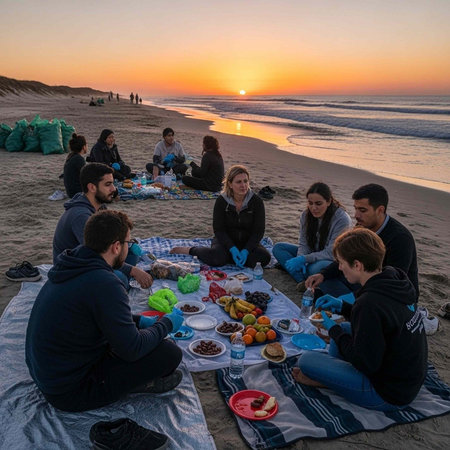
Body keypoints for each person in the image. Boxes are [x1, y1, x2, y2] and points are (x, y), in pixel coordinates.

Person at [26, 210, 184, 412]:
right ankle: (138, 385)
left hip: (49, 375)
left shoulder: (73, 264)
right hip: (70, 392)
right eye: (128, 242)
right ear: (116, 247)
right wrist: (166, 324)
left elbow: (95, 315)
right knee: (168, 353)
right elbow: (132, 348)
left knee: (141, 337)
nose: (130, 247)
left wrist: (138, 321)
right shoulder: (105, 283)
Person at [293, 228, 427, 411]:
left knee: (306, 360)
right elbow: (384, 321)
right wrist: (343, 306)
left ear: (357, 265)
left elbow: (366, 363)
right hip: (406, 380)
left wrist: (335, 332)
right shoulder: (394, 278)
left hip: (386, 393)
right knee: (348, 327)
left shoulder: (369, 303)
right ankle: (337, 374)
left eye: (341, 263)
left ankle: (331, 381)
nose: (339, 268)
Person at [306, 183, 419, 301]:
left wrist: (351, 297)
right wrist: (323, 275)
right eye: (356, 209)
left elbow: (394, 283)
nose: (356, 215)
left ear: (380, 210)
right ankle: (341, 299)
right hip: (363, 280)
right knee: (321, 274)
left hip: (390, 294)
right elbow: (345, 256)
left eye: (363, 210)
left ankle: (346, 302)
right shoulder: (362, 225)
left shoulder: (400, 238)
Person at [53, 163, 152, 288]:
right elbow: (96, 255)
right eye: (108, 184)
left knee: (131, 252)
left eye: (112, 183)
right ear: (92, 187)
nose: (114, 189)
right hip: (74, 269)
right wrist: (132, 270)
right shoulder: (81, 216)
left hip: (93, 258)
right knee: (120, 279)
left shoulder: (98, 206)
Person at [171, 165, 271, 268]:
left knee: (264, 257)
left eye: (245, 181)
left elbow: (258, 231)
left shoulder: (256, 202)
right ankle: (192, 250)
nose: (243, 185)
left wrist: (246, 250)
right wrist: (232, 248)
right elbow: (219, 230)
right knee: (217, 258)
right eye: (238, 182)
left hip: (247, 243)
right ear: (230, 184)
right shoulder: (222, 201)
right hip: (225, 241)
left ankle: (232, 258)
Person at [273, 182, 352, 283]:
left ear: (328, 202)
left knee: (316, 268)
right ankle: (301, 280)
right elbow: (303, 243)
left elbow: (332, 253)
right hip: (312, 253)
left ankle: (303, 275)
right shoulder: (306, 215)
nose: (314, 208)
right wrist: (299, 258)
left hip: (330, 260)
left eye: (318, 204)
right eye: (310, 203)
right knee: (279, 248)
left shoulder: (342, 219)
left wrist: (305, 259)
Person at [63, 133, 87, 198]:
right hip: (76, 193)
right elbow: (87, 175)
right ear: (83, 147)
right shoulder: (79, 159)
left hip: (70, 192)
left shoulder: (71, 156)